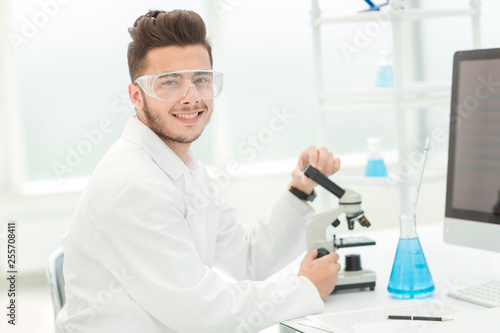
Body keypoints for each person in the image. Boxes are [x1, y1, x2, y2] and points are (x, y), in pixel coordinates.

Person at [56, 9, 341, 333]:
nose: (191, 98)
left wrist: (300, 190)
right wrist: (304, 288)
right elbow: (202, 312)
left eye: (201, 80)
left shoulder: (183, 166)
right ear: (136, 95)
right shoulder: (134, 185)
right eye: (170, 82)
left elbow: (247, 258)